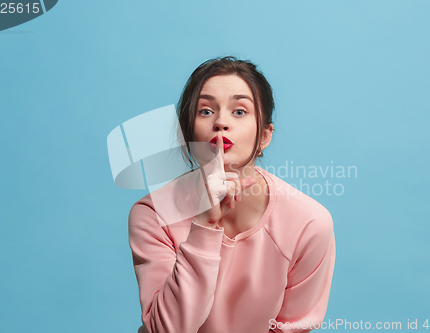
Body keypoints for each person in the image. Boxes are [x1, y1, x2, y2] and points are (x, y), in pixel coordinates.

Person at [128, 56, 336, 333]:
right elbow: (165, 330)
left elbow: (291, 328)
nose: (221, 122)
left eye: (239, 111)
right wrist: (204, 226)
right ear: (188, 132)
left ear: (264, 136)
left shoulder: (309, 223)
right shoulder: (153, 214)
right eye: (205, 111)